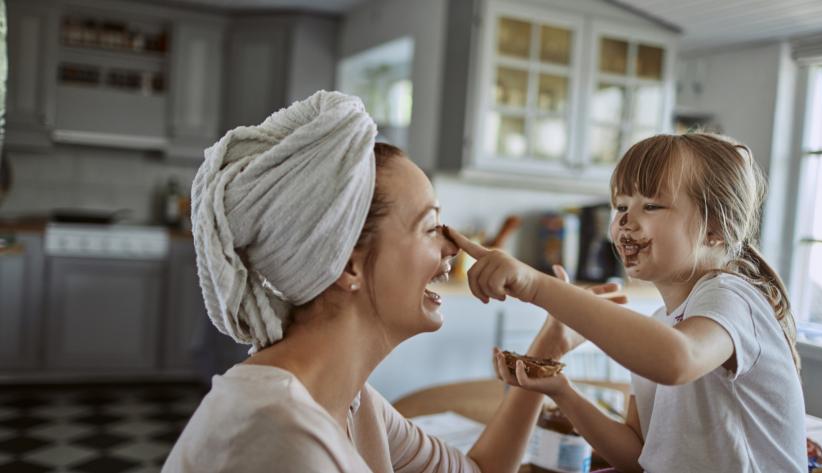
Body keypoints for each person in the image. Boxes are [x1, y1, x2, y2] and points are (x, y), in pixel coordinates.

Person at [162, 90, 622, 473]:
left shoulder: (351, 403)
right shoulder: (278, 438)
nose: (452, 248)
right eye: (429, 227)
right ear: (347, 266)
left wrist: (546, 352)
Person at [448, 133, 807, 473]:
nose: (624, 220)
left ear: (714, 229)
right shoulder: (661, 325)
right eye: (620, 205)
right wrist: (562, 391)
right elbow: (636, 455)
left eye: (651, 205)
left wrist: (536, 286)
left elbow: (677, 360)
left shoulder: (733, 296)